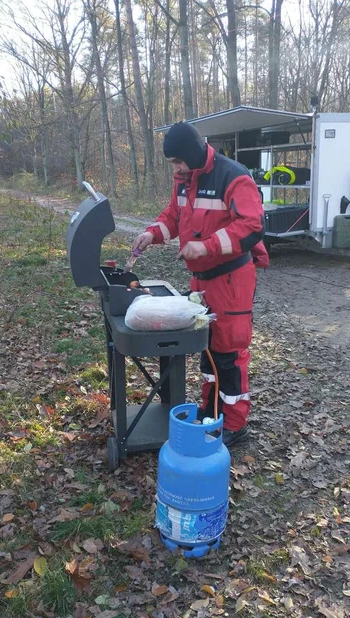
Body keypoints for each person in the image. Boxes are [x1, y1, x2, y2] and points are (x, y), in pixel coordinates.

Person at [132, 121, 269, 446]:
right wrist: (151, 233)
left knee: (229, 353)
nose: (176, 169)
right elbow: (174, 217)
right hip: (202, 281)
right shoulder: (184, 180)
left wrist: (205, 247)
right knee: (207, 349)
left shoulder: (233, 176)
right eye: (173, 164)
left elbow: (252, 226)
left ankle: (234, 425)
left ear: (191, 154)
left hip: (232, 279)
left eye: (178, 162)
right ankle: (211, 412)